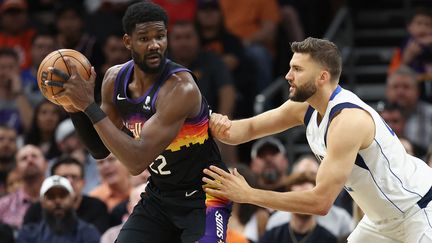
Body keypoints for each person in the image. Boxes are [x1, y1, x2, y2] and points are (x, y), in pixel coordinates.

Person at [203, 37, 432, 242]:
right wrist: (213, 122)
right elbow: (249, 128)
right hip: (381, 220)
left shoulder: (348, 122)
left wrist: (249, 194)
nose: (288, 76)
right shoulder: (303, 107)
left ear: (322, 77)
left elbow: (320, 203)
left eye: (297, 69)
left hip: (418, 210)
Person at [45, 2, 231, 242]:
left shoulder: (180, 88)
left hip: (205, 196)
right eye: (144, 38)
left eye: (160, 36)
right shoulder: (114, 79)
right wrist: (72, 106)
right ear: (127, 41)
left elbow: (136, 162)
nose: (154, 45)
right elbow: (100, 149)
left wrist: (88, 105)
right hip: (160, 196)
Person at [23, 156, 110, 234]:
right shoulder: (35, 211)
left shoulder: (97, 207)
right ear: (53, 180)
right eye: (64, 177)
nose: (69, 181)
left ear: (83, 183)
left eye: (74, 177)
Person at [16, 175, 100, 243]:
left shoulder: (88, 232)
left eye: (63, 195)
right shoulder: (28, 234)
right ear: (42, 202)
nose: (57, 201)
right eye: (51, 196)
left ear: (73, 199)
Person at [0, 145, 47, 230]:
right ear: (17, 170)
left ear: (46, 164)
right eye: (24, 158)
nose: (30, 160)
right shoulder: (4, 206)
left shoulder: (60, 199)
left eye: (34, 156)